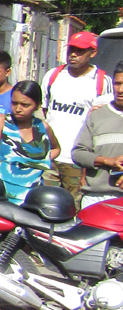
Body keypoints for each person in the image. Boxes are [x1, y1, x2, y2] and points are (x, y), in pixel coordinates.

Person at [42, 31, 113, 203]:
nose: (73, 54)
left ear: (92, 53)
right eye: (71, 49)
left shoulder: (101, 81)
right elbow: (45, 113)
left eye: (80, 50)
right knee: (45, 203)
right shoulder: (54, 76)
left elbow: (104, 121)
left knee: (72, 206)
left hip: (77, 161)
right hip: (50, 158)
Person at [0, 80, 58, 205]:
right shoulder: (1, 122)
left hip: (32, 195)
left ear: (37, 105)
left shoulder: (42, 127)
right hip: (3, 191)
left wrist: (38, 160)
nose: (18, 109)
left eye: (25, 105)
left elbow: (56, 148)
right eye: (14, 103)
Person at [71, 62, 123, 207]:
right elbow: (78, 153)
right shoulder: (97, 116)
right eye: (117, 84)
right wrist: (107, 161)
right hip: (95, 199)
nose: (120, 89)